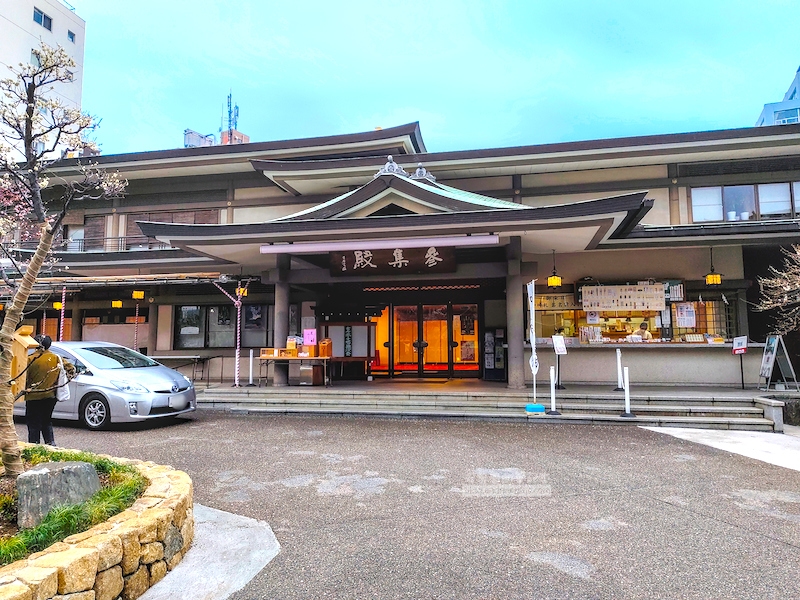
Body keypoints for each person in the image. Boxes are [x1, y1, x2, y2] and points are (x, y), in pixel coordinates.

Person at [25, 335, 74, 446]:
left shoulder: (30, 359)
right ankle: (50, 444)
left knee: (33, 423)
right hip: (51, 396)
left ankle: (34, 446)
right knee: (46, 420)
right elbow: (71, 368)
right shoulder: (56, 358)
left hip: (33, 396)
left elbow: (23, 377)